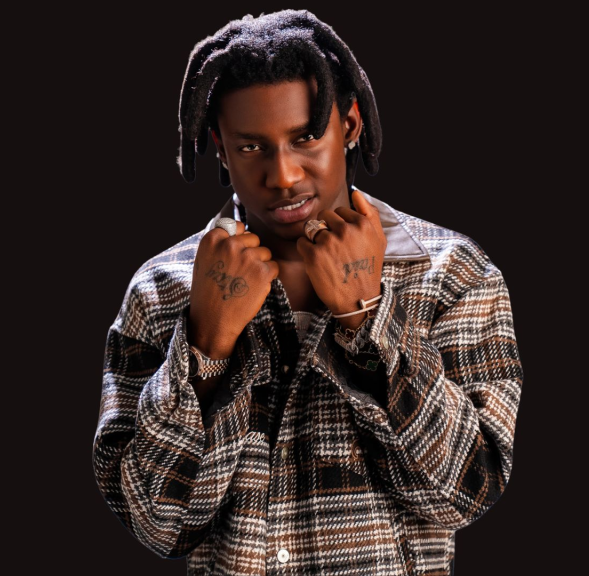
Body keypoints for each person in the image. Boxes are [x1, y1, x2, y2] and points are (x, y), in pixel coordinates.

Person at [92, 9, 523, 575]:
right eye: (252, 147)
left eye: (306, 137)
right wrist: (207, 343)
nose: (284, 175)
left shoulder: (452, 274)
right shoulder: (161, 290)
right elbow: (158, 525)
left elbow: (464, 493)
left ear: (350, 124)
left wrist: (368, 319)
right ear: (219, 146)